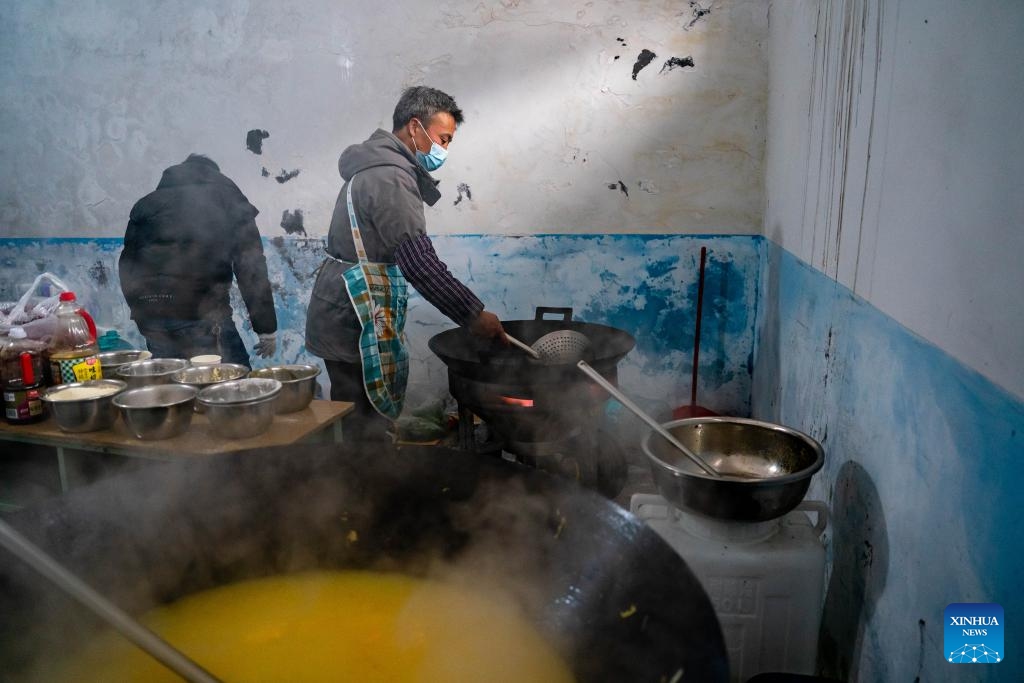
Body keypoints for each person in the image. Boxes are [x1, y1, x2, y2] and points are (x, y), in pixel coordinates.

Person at [305, 86, 506, 439]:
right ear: (415, 127)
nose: (444, 150)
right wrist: (473, 315)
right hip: (350, 318)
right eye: (443, 139)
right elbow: (419, 264)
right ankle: (366, 472)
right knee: (362, 425)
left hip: (342, 311)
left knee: (357, 417)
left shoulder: (376, 168)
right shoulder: (390, 177)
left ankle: (361, 466)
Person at [119, 154, 277, 367]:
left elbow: (128, 266)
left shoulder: (146, 205)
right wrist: (266, 329)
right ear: (213, 174)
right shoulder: (226, 199)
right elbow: (251, 267)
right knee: (232, 382)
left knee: (171, 383)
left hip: (153, 319)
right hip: (204, 317)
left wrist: (142, 313)